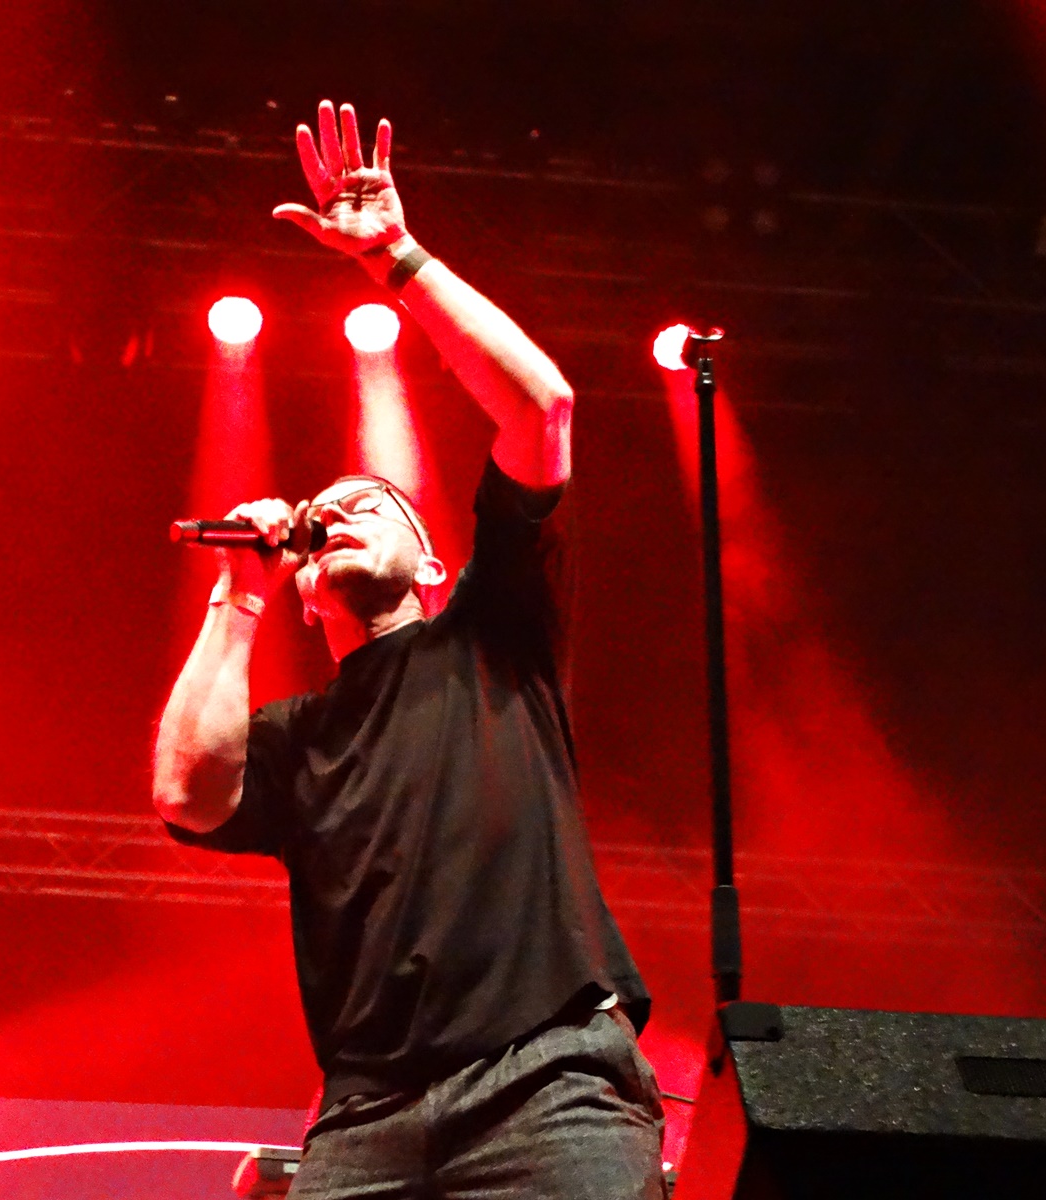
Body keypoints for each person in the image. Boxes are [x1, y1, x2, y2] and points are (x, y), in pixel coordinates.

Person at [153, 100, 665, 1200]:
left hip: (548, 1086)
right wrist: (237, 596)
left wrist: (396, 258)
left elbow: (542, 410)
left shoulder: (492, 636)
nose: (338, 508)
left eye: (371, 501)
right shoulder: (295, 737)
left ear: (432, 565)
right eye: (322, 512)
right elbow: (187, 794)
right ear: (305, 595)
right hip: (364, 1122)